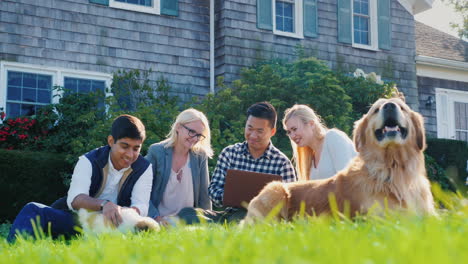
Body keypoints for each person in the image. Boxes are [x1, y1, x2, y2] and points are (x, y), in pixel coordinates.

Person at [7, 115, 153, 242]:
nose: (130, 154)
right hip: (78, 222)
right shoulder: (88, 160)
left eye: (136, 148)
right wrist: (105, 205)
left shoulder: (144, 168)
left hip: (116, 227)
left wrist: (121, 214)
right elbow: (75, 200)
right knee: (33, 209)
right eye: (124, 146)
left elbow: (141, 207)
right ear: (110, 141)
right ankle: (13, 255)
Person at [178, 102, 297, 224]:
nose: (253, 135)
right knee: (187, 214)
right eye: (249, 128)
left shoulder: (282, 164)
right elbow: (213, 190)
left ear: (272, 132)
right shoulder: (230, 153)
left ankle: (224, 228)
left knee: (241, 219)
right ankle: (222, 227)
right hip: (229, 214)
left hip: (262, 219)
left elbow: (291, 205)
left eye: (260, 131)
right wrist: (230, 195)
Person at [145, 109, 213, 225]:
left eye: (199, 135)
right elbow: (143, 191)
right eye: (191, 131)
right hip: (159, 220)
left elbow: (204, 197)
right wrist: (156, 218)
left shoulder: (200, 156)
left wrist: (206, 221)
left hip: (189, 221)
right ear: (178, 127)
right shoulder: (157, 151)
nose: (195, 138)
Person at [283, 104, 356, 181]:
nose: (292, 136)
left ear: (311, 124)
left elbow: (348, 181)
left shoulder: (333, 137)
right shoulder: (309, 158)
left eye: (294, 129)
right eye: (289, 132)